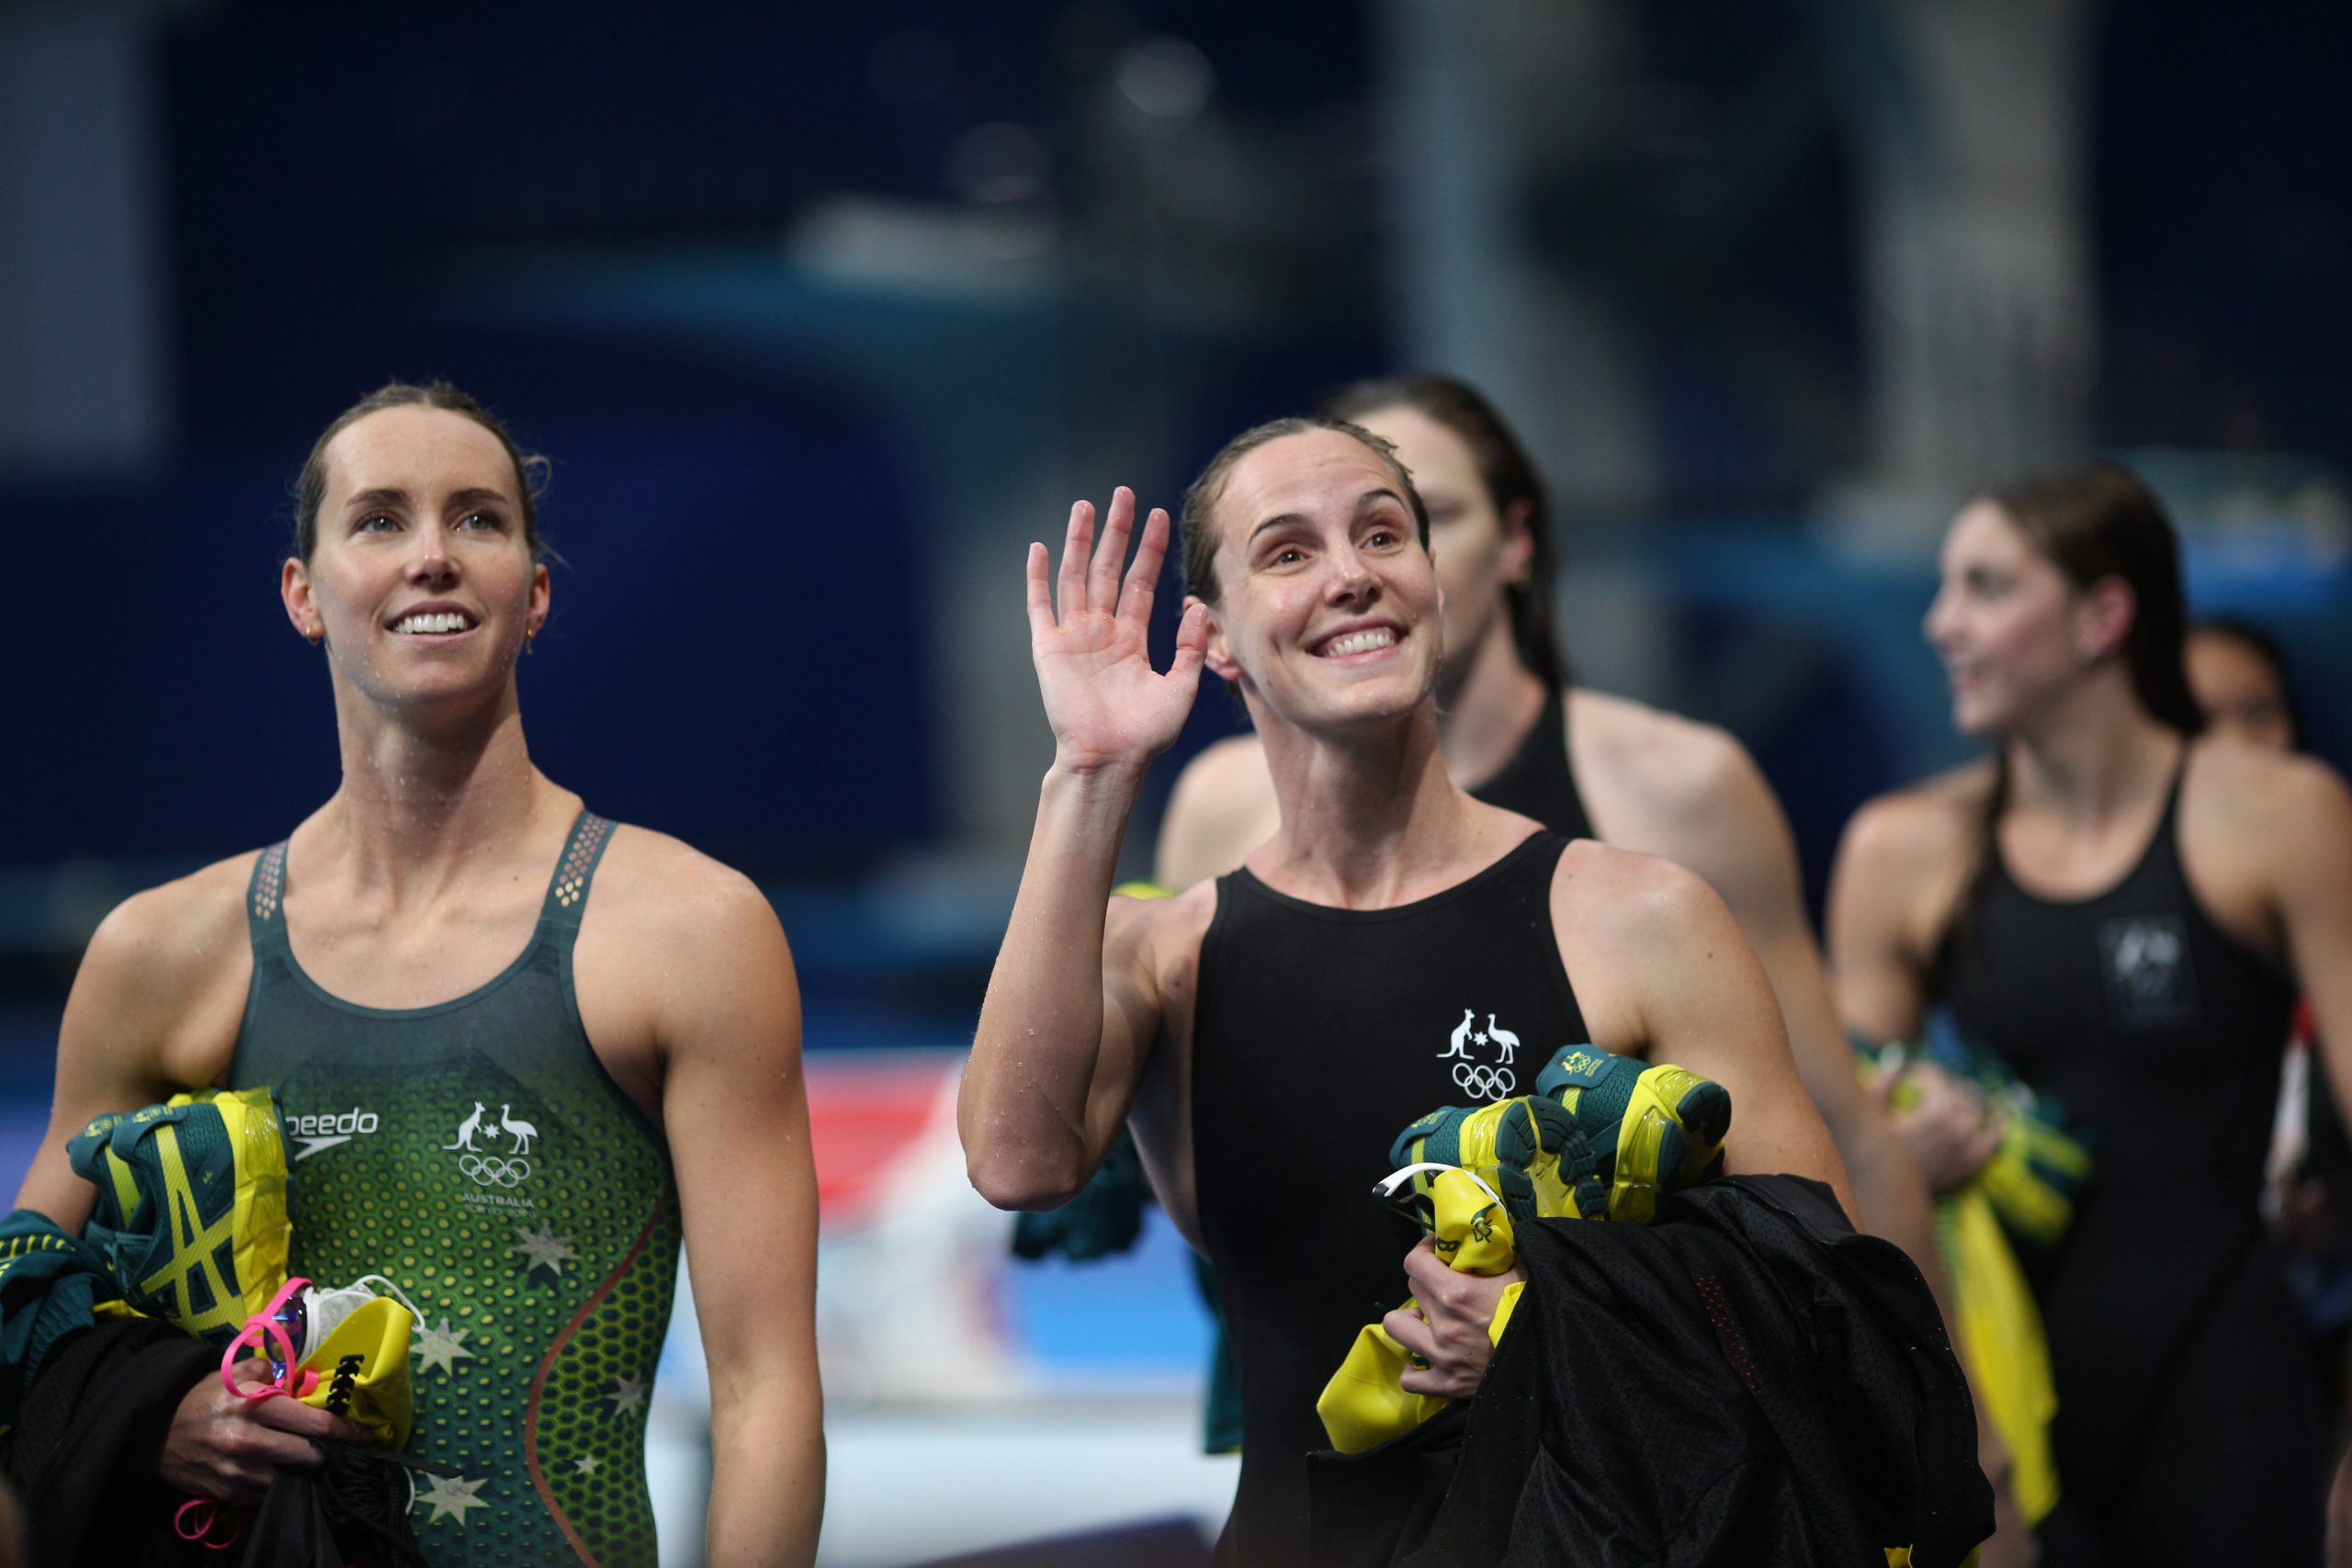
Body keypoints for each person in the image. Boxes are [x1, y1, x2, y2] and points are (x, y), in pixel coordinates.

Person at [959, 417, 1852, 1563]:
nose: (1349, 576)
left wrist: (1562, 1329)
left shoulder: (1638, 919)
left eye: (1383, 534)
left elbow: (1823, 1298)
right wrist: (1089, 772)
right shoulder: (1160, 955)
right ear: (1215, 639)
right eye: (1286, 553)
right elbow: (1016, 1163)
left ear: (1431, 580)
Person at [10, 384, 823, 1566]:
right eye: (381, 520)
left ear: (535, 596)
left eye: (480, 520)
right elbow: (18, 1339)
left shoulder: (688, 931)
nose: (433, 556)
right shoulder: (163, 953)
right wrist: (153, 1413)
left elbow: (765, 1397)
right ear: (304, 593)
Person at [1826, 461, 2352, 1564]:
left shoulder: (2275, 819)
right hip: (2010, 1411)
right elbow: (1849, 1188)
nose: (1939, 622)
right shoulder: (1899, 853)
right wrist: (1958, 1452)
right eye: (1941, 586)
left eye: (1984, 587)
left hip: (2234, 1403)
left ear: (2102, 614)